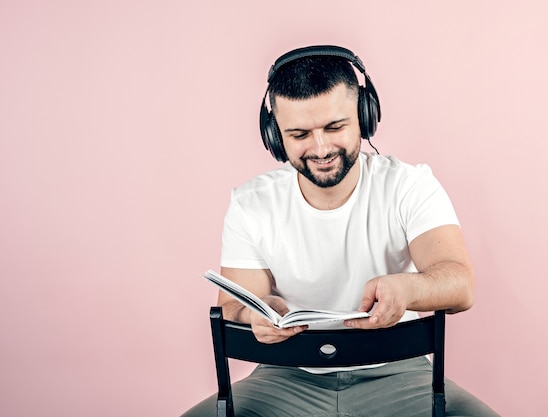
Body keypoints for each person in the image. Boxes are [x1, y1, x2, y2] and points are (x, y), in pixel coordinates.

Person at [182, 45, 499, 417]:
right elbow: (234, 305)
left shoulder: (410, 186)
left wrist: (407, 289)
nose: (320, 148)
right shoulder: (250, 203)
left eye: (335, 127)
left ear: (365, 118)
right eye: (299, 134)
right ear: (274, 135)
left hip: (398, 372)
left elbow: (460, 284)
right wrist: (256, 315)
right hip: (285, 376)